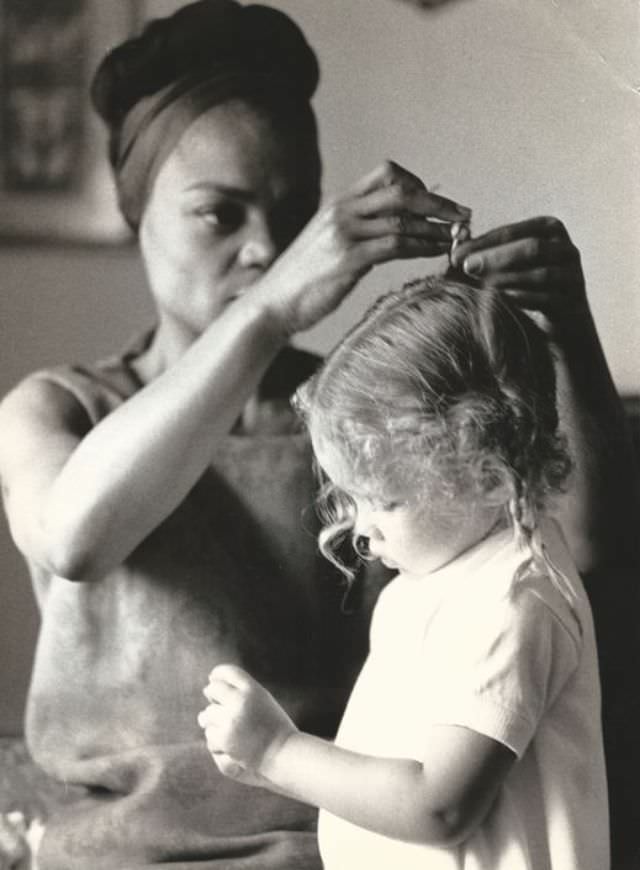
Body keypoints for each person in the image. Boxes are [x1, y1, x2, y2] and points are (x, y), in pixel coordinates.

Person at [0, 0, 636, 868]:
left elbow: (580, 552)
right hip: (111, 853)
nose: (266, 247)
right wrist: (270, 308)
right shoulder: (56, 409)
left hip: (333, 842)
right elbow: (77, 537)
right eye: (221, 215)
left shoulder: (361, 427)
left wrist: (570, 332)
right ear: (131, 209)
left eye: (292, 212)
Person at [198, 275, 609, 869]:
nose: (362, 530)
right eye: (352, 497)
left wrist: (278, 752)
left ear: (492, 480)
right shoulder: (435, 575)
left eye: (384, 501)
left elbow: (440, 807)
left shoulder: (514, 602)